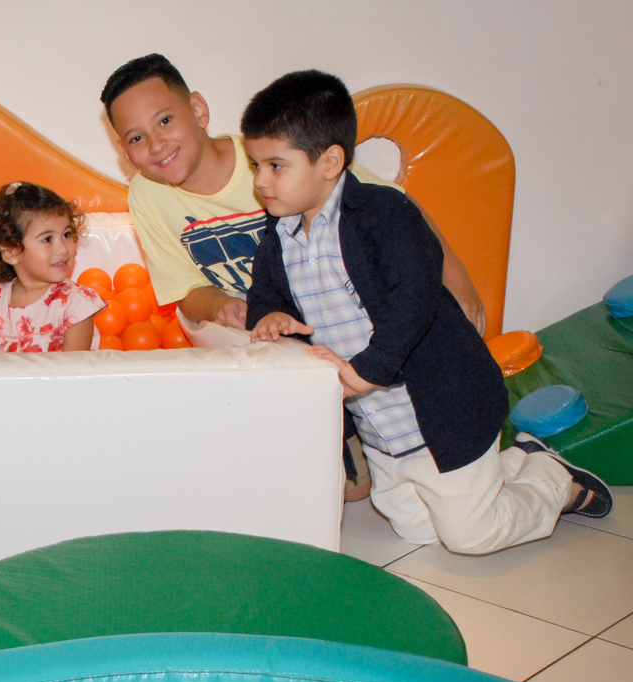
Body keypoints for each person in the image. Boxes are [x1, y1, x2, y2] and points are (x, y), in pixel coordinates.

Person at [243, 70, 611, 555]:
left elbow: (413, 300)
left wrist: (369, 370)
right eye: (255, 166)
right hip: (380, 425)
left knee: (471, 537)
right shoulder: (281, 235)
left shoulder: (383, 213)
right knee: (417, 529)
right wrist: (269, 315)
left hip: (443, 408)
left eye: (275, 165)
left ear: (330, 161)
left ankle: (551, 479)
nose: (260, 182)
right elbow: (264, 293)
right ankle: (516, 461)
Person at [100, 53, 487, 502]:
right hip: (266, 329)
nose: (156, 143)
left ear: (199, 111)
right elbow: (183, 290)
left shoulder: (269, 154)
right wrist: (222, 306)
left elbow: (397, 212)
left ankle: (373, 434)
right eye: (136, 137)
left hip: (339, 310)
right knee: (340, 489)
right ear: (124, 151)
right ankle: (333, 442)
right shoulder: (147, 196)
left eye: (165, 120)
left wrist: (459, 285)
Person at [0, 182, 105, 353]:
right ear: (11, 252)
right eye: (47, 239)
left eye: (67, 234)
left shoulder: (76, 304)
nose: (62, 248)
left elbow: (73, 374)